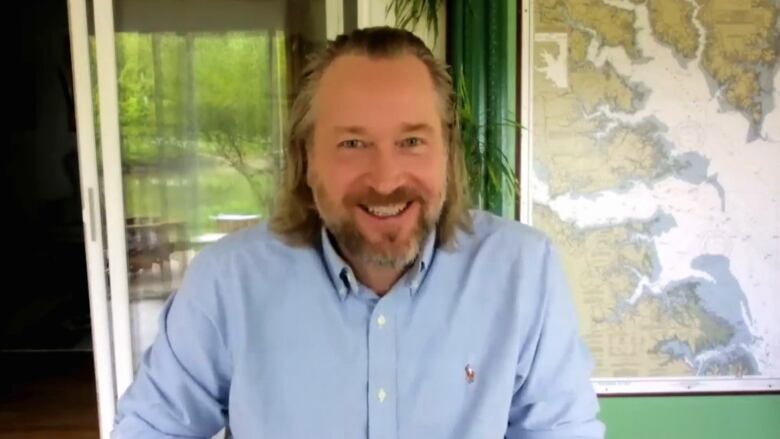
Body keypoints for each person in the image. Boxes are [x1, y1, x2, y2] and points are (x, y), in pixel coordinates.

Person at [112, 26, 605, 438]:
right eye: (352, 143)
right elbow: (150, 428)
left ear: (447, 155)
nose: (386, 179)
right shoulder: (226, 283)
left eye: (412, 141)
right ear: (307, 161)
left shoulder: (523, 272)